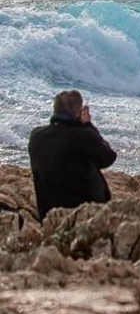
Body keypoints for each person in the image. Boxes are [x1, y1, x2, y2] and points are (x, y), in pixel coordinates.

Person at [28, 90, 117, 219]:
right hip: (83, 212)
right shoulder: (84, 135)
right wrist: (88, 125)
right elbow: (109, 157)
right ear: (78, 113)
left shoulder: (36, 135)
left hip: (48, 213)